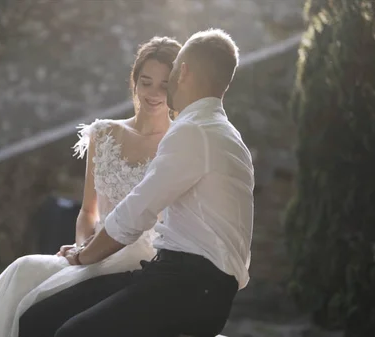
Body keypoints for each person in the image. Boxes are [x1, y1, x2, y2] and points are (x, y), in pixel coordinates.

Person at [18, 28, 254, 337]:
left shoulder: (193, 131)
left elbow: (136, 213)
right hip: (187, 283)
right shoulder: (226, 135)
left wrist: (82, 256)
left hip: (188, 289)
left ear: (182, 72)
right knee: (39, 318)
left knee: (71, 334)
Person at [0, 36, 182, 337]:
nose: (153, 93)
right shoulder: (103, 133)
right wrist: (82, 248)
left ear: (175, 89)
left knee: (43, 304)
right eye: (146, 81)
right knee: (22, 269)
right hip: (92, 250)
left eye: (164, 85)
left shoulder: (178, 145)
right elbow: (88, 209)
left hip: (137, 262)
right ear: (134, 81)